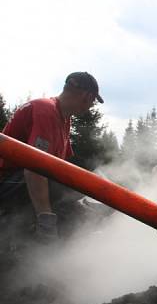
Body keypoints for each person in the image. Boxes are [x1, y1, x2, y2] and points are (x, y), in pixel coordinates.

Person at [0, 72, 104, 242]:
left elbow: (62, 165)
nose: (91, 106)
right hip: (7, 183)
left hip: (18, 181)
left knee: (76, 186)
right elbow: (34, 168)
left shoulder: (63, 119)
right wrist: (46, 220)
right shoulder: (46, 111)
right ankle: (27, 240)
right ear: (87, 96)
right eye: (92, 101)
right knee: (72, 180)